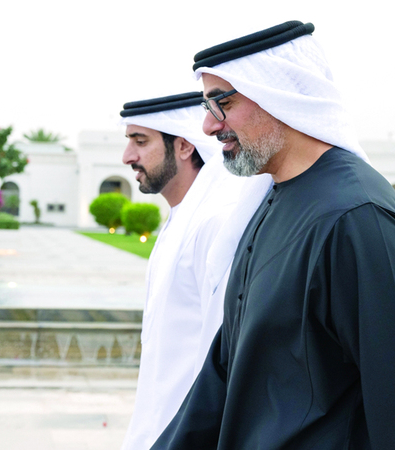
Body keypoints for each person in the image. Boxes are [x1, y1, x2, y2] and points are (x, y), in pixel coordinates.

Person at [152, 21, 395, 449]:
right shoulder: (271, 202)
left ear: (280, 94)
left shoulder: (358, 219)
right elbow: (224, 373)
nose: (207, 125)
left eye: (222, 103)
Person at [119, 92, 246, 450]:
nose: (127, 156)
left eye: (140, 141)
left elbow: (223, 357)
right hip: (157, 431)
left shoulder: (215, 222)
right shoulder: (181, 217)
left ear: (185, 146)